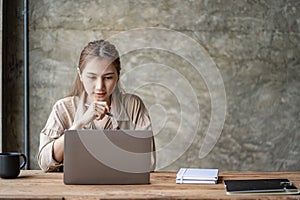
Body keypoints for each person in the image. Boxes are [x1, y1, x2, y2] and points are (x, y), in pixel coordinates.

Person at [38, 40, 156, 172]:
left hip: (124, 189)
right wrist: (79, 125)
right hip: (74, 190)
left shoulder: (133, 105)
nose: (100, 87)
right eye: (92, 77)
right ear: (80, 75)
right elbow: (45, 163)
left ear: (118, 76)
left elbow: (148, 162)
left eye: (108, 77)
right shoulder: (63, 108)